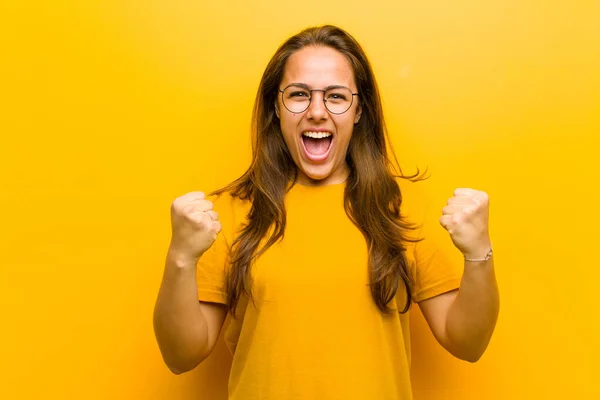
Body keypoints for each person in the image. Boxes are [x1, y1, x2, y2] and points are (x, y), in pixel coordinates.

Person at [153, 25, 499, 400]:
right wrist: (181, 258)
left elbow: (467, 343)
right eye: (299, 95)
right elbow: (180, 355)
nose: (317, 112)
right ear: (276, 106)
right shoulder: (230, 213)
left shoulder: (400, 208)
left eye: (336, 97)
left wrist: (478, 253)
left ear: (359, 109)